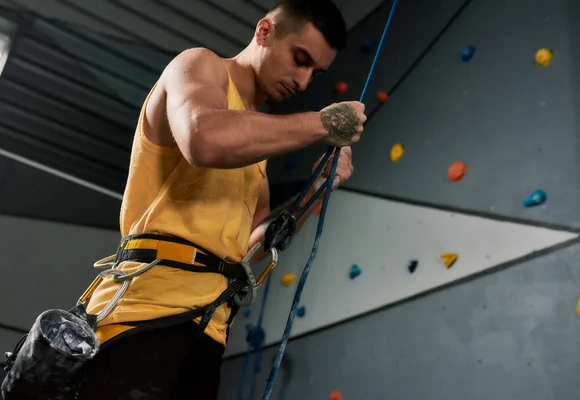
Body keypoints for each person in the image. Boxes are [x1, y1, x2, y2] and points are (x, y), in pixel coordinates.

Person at [74, 0, 366, 398]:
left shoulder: (254, 149)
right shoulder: (198, 65)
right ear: (264, 32)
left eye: (315, 73)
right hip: (142, 313)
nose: (303, 81)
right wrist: (323, 122)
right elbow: (204, 140)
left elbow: (248, 249)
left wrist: (315, 194)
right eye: (300, 60)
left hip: (208, 328)